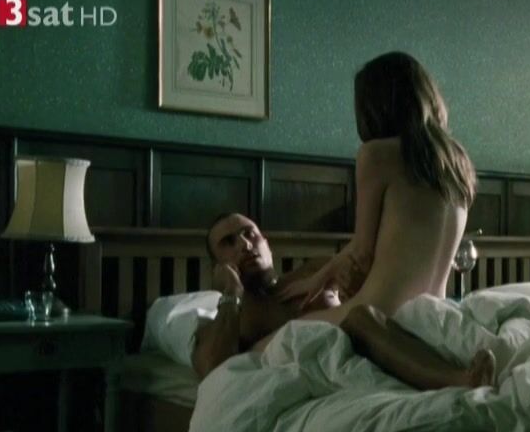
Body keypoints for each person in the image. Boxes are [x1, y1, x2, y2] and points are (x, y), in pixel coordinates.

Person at [274, 51, 489, 391]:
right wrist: (322, 276)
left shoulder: (376, 155)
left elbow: (362, 251)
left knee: (274, 342)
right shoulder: (458, 162)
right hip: (433, 314)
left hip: (383, 313)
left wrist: (318, 282)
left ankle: (453, 380)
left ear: (374, 105)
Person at [193, 212, 492, 389]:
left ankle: (470, 356)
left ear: (267, 244)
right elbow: (211, 372)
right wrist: (231, 294)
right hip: (338, 358)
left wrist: (350, 279)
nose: (245, 244)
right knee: (358, 319)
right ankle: (457, 380)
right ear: (217, 267)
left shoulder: (314, 271)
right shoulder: (231, 314)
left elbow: (385, 295)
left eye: (250, 234)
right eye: (229, 242)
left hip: (382, 339)